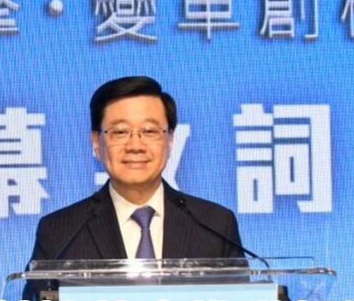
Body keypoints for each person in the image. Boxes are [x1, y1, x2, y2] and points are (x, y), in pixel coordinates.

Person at [29, 76, 243, 264]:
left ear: (170, 140)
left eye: (149, 131)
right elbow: (40, 298)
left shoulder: (215, 225)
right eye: (120, 132)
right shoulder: (60, 231)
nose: (135, 146)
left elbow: (239, 296)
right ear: (96, 142)